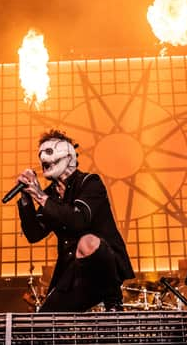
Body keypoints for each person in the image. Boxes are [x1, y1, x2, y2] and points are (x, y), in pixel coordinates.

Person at [15, 129, 134, 312]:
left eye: (49, 151)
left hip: (102, 265)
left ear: (68, 155)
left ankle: (113, 299)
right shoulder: (50, 195)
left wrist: (39, 196)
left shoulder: (90, 182)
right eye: (41, 154)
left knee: (87, 241)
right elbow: (34, 233)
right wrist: (26, 199)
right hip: (72, 272)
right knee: (43, 323)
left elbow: (79, 220)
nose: (43, 158)